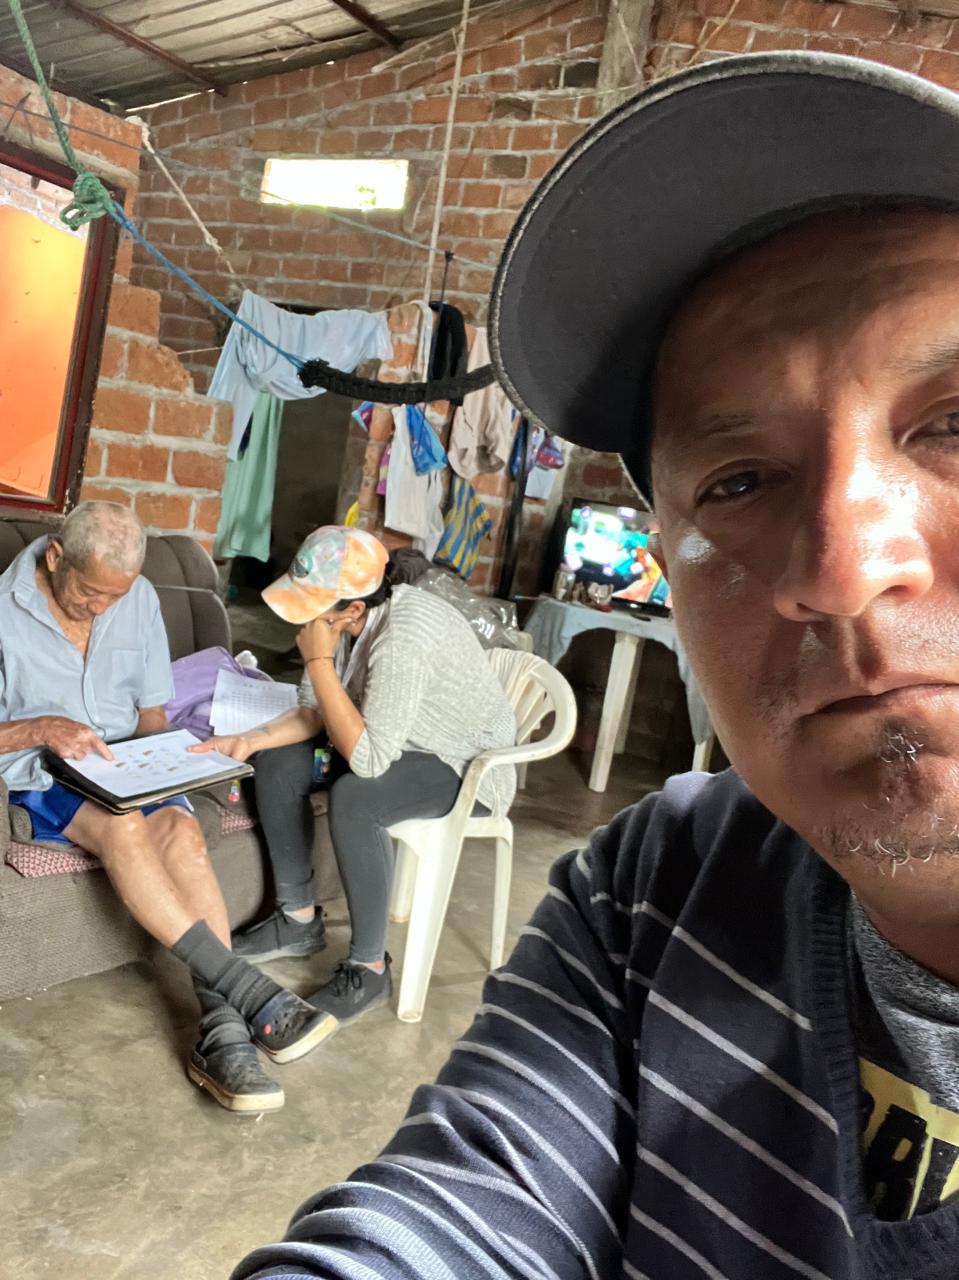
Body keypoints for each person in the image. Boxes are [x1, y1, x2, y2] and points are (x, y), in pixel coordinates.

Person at [231, 53, 959, 1277]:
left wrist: (310, 666)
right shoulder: (655, 885)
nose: (839, 567)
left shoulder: (400, 633)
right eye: (738, 480)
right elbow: (452, 1209)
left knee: (345, 789)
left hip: (460, 769)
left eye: (953, 422)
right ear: (669, 560)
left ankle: (358, 956)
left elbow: (372, 746)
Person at [0, 502, 337, 1114]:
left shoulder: (139, 598)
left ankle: (222, 1032)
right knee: (123, 827)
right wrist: (40, 727)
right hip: (43, 770)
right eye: (89, 592)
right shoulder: (3, 609)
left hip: (125, 762)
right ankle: (246, 994)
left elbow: (153, 713)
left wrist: (167, 766)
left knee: (184, 833)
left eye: (115, 596)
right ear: (55, 558)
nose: (101, 608)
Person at [198, 525, 517, 1027]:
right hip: (394, 742)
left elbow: (369, 761)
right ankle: (297, 919)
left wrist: (319, 660)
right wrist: (250, 740)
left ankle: (370, 968)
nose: (303, 621)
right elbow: (315, 711)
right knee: (278, 763)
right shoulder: (352, 624)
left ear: (352, 610)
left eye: (313, 607)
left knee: (356, 798)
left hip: (463, 764)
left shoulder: (404, 638)